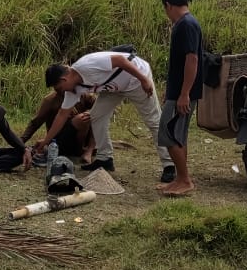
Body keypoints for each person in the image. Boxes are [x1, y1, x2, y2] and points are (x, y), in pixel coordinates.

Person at [36, 51, 175, 181]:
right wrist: (46, 141)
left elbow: (121, 60)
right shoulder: (73, 90)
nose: (60, 92)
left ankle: (169, 164)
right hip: (114, 87)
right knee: (97, 115)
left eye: (59, 88)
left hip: (135, 79)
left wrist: (143, 79)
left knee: (154, 121)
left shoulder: (86, 65)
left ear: (64, 79)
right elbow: (62, 115)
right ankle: (104, 158)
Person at [158, 0, 203, 195]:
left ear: (168, 5)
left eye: (165, 10)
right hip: (178, 91)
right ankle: (180, 178)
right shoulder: (186, 24)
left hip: (183, 93)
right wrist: (171, 90)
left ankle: (185, 181)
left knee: (168, 134)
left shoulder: (186, 25)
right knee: (178, 135)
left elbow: (192, 59)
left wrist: (184, 93)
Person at [19, 91, 96, 163]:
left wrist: (90, 113)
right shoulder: (50, 100)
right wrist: (20, 141)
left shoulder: (83, 95)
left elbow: (99, 108)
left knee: (87, 116)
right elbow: (35, 123)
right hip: (60, 140)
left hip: (82, 139)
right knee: (80, 119)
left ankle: (88, 150)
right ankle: (78, 151)